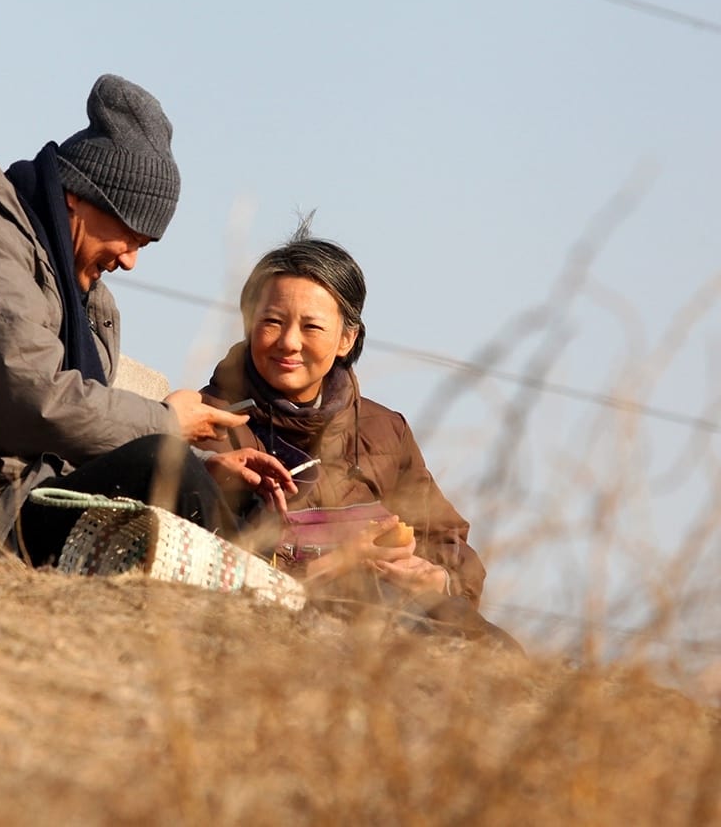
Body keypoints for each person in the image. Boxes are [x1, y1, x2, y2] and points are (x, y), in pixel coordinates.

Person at [0, 74, 292, 564]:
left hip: (23, 500)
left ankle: (270, 606)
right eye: (131, 237)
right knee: (158, 462)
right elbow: (32, 402)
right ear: (78, 196)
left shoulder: (75, 287)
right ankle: (251, 607)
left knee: (231, 498)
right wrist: (167, 425)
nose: (131, 260)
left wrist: (205, 464)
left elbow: (78, 432)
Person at [195, 225, 517, 647]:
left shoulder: (386, 431)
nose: (288, 343)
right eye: (271, 321)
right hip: (287, 634)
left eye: (311, 327)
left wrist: (439, 577)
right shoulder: (210, 423)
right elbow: (215, 559)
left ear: (347, 338)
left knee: (502, 653)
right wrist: (343, 561)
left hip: (401, 617)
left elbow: (445, 537)